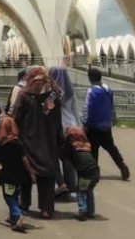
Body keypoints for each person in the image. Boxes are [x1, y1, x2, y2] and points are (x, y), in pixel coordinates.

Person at [12, 66, 62, 220]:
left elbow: (58, 94)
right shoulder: (31, 96)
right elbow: (17, 118)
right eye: (37, 82)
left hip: (38, 141)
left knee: (38, 174)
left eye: (42, 82)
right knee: (35, 175)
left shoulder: (37, 97)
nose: (39, 85)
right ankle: (34, 206)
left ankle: (36, 206)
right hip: (38, 140)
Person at [83, 66, 129, 180]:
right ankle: (121, 165)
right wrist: (112, 119)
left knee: (93, 149)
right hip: (106, 124)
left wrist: (84, 123)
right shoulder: (108, 89)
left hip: (93, 125)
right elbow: (111, 105)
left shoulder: (91, 90)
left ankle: (95, 172)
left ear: (90, 78)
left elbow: (87, 108)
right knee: (111, 147)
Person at [0, 115, 30, 232]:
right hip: (19, 176)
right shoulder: (19, 143)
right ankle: (12, 217)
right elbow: (25, 160)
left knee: (8, 197)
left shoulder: (1, 145)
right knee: (15, 195)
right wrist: (31, 173)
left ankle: (17, 214)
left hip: (7, 176)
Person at [48, 66, 80, 199]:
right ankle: (71, 185)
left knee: (55, 156)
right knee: (68, 158)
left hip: (58, 128)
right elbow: (76, 112)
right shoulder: (70, 92)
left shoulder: (52, 93)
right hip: (71, 127)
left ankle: (62, 185)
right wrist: (79, 127)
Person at [63, 126, 100, 220]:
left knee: (81, 191)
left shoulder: (72, 146)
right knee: (89, 190)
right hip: (95, 171)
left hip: (85, 172)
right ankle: (91, 212)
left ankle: (82, 211)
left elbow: (65, 156)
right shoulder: (87, 145)